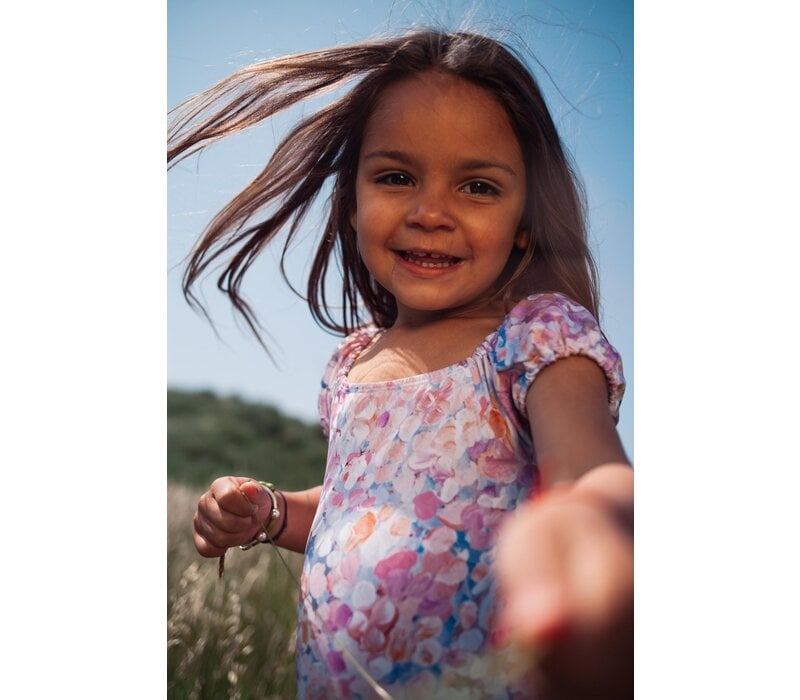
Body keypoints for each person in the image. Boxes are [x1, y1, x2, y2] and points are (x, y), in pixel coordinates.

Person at [172, 29, 633, 700]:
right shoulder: (351, 364)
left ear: (527, 221)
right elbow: (352, 508)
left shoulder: (533, 339)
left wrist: (596, 529)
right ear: (352, 202)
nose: (430, 212)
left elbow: (588, 471)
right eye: (396, 177)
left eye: (477, 186)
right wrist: (269, 512)